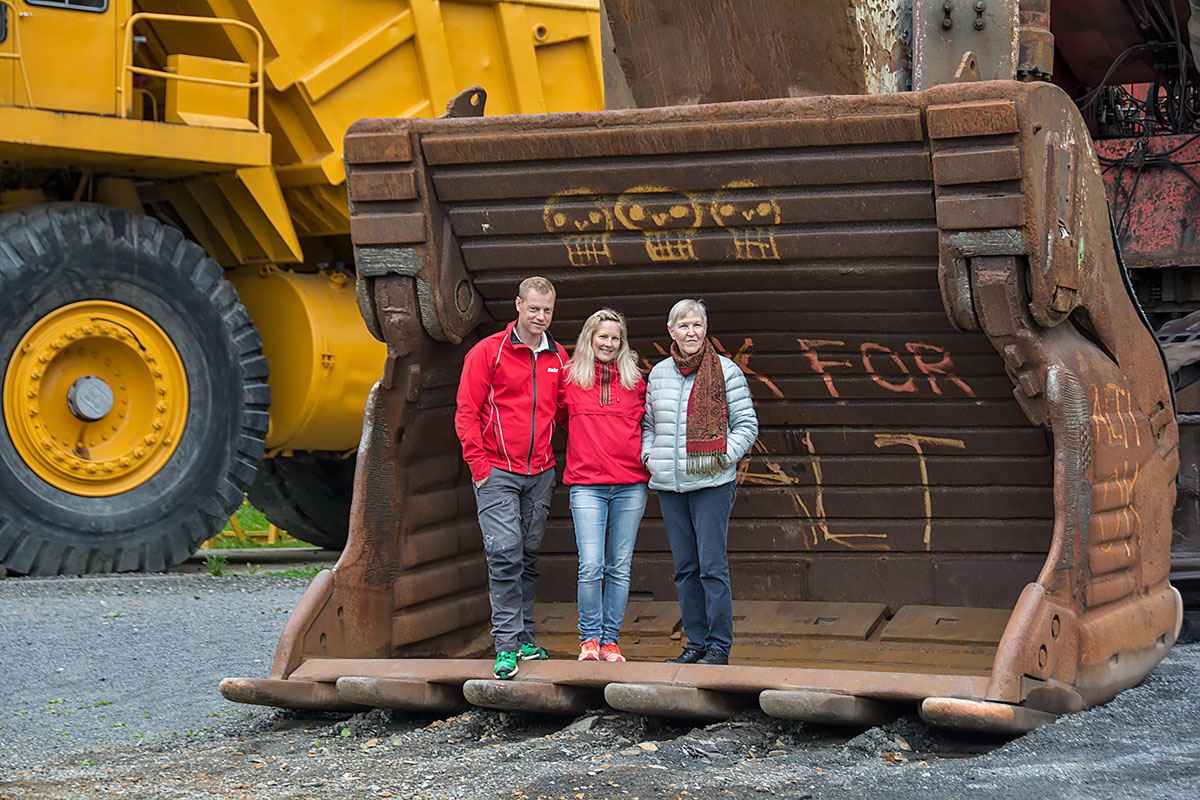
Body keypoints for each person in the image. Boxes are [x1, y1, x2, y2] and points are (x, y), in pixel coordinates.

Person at [454, 276, 567, 679]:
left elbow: (572, 408)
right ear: (518, 305)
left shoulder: (558, 357)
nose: (540, 317)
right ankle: (505, 647)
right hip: (497, 471)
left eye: (547, 310)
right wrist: (479, 468)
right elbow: (466, 412)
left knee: (527, 556)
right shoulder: (488, 352)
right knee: (504, 555)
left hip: (539, 472)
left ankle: (523, 638)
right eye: (533, 308)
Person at [641, 299, 758, 666]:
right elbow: (648, 424)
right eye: (683, 326)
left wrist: (721, 456)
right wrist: (650, 456)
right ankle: (695, 643)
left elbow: (747, 426)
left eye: (697, 325)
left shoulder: (726, 372)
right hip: (671, 486)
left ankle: (719, 647)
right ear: (671, 331)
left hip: (711, 484)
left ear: (705, 329)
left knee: (711, 566)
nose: (691, 333)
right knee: (686, 569)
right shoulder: (658, 374)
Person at [559, 308, 650, 663]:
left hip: (630, 485)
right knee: (591, 564)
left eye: (615, 338)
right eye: (602, 336)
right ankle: (589, 640)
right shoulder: (570, 379)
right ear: (589, 338)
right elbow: (562, 419)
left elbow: (647, 425)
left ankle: (611, 641)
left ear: (622, 342)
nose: (609, 343)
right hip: (587, 484)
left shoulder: (636, 381)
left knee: (619, 566)